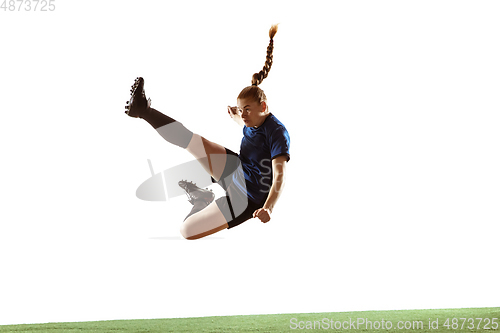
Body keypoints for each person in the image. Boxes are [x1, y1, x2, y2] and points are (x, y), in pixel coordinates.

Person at [124, 24, 290, 240]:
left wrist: (269, 208)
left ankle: (202, 200)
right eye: (241, 110)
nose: (244, 115)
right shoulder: (250, 122)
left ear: (264, 108)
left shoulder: (278, 133)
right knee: (192, 141)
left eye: (247, 110)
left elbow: (280, 177)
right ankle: (143, 110)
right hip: (237, 169)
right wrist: (237, 117)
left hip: (248, 199)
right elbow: (252, 133)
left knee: (187, 231)